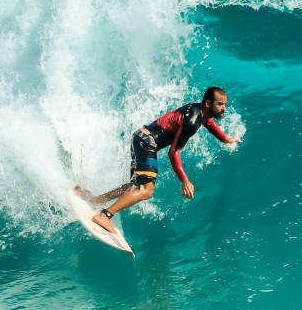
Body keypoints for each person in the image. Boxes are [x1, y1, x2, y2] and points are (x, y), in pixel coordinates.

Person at [83, 87, 242, 234]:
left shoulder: (199, 111)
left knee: (135, 186)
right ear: (208, 103)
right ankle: (104, 216)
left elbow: (209, 123)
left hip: (140, 138)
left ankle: (96, 200)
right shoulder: (192, 121)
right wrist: (184, 180)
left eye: (225, 105)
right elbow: (173, 153)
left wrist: (225, 139)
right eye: (220, 104)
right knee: (145, 191)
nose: (224, 108)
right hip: (146, 143)